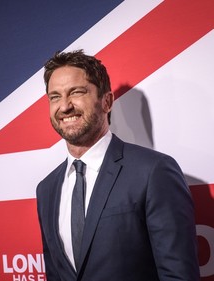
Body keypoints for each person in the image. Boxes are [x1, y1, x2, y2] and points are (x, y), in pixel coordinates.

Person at [36, 50, 200, 281]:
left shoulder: (153, 171)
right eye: (55, 97)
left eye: (76, 92)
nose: (64, 107)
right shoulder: (47, 189)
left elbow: (178, 276)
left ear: (107, 101)